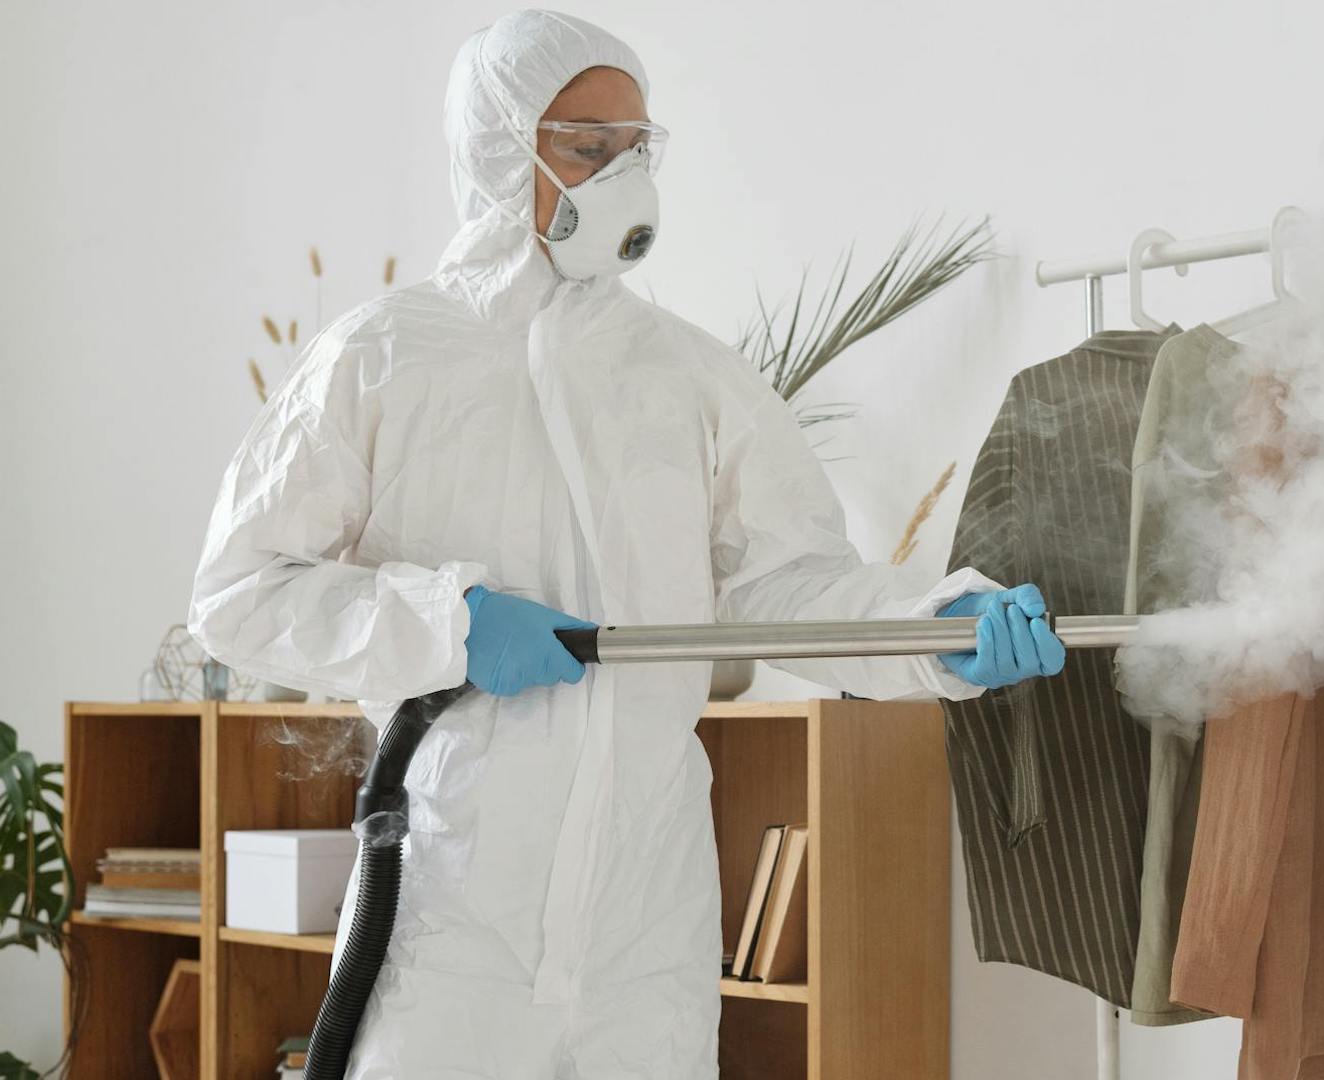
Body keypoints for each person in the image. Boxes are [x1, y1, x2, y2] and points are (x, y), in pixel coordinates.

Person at [188, 10, 1063, 1076]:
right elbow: (241, 591)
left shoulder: (692, 378)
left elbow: (784, 584)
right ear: (501, 150)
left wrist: (937, 631)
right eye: (589, 148)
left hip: (649, 919)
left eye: (638, 149)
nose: (624, 176)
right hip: (455, 910)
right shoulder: (380, 359)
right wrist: (448, 622)